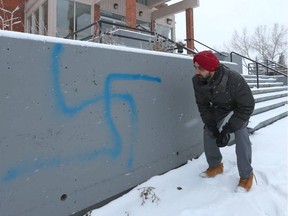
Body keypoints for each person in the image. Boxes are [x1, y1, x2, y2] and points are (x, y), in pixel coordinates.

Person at [192, 50, 255, 192]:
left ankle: (246, 175)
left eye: (200, 68)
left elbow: (247, 106)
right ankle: (215, 165)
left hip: (240, 107)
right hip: (220, 106)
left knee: (240, 133)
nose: (197, 72)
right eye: (195, 67)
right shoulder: (197, 81)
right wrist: (213, 127)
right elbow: (203, 106)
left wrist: (227, 130)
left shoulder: (234, 79)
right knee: (208, 130)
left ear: (212, 68)